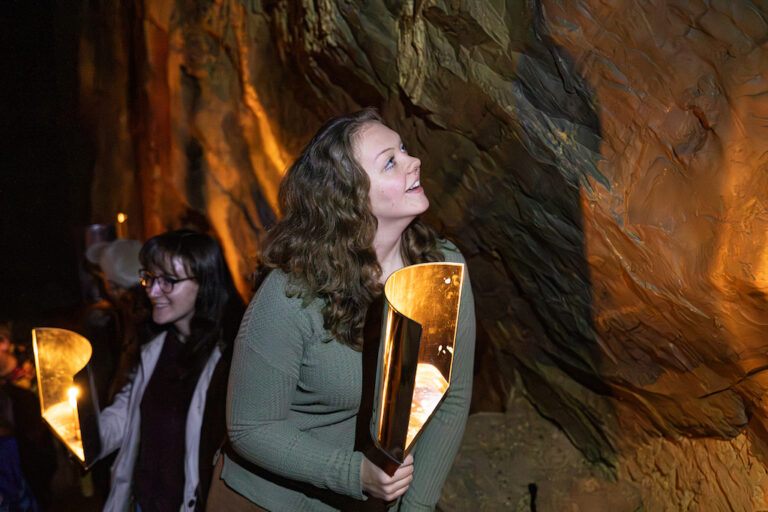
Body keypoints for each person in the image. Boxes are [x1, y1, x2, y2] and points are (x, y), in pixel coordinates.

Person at [209, 109, 476, 511]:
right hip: (267, 501)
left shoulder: (442, 270)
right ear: (349, 199)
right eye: (391, 161)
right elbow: (251, 428)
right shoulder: (292, 293)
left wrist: (416, 507)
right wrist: (354, 474)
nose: (413, 160)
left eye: (403, 149)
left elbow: (451, 395)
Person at [98, 229, 245, 512]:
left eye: (169, 281)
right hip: (143, 502)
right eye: (150, 278)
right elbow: (127, 412)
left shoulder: (228, 361)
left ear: (205, 283)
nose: (153, 291)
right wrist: (85, 434)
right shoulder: (154, 345)